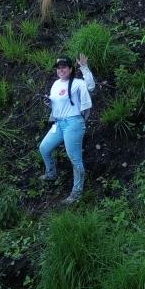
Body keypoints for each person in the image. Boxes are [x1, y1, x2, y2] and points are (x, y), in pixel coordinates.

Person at [39, 55, 96, 204]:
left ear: (70, 69)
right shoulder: (56, 84)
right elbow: (58, 104)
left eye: (64, 67)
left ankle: (76, 193)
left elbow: (91, 86)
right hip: (59, 124)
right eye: (58, 67)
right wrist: (48, 102)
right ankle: (51, 173)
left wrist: (84, 67)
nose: (61, 70)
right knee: (44, 148)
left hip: (74, 123)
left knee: (75, 159)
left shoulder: (78, 83)